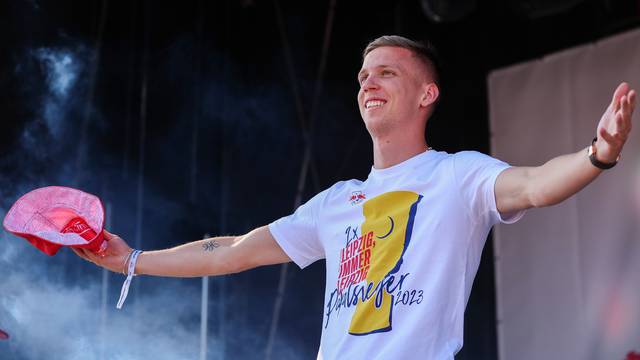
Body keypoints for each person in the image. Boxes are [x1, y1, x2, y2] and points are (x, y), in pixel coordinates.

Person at [74, 35, 636, 359]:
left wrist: (597, 154)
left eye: (385, 73)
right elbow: (232, 250)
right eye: (363, 76)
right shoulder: (337, 202)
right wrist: (133, 261)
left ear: (426, 94)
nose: (367, 83)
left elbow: (536, 185)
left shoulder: (458, 176)